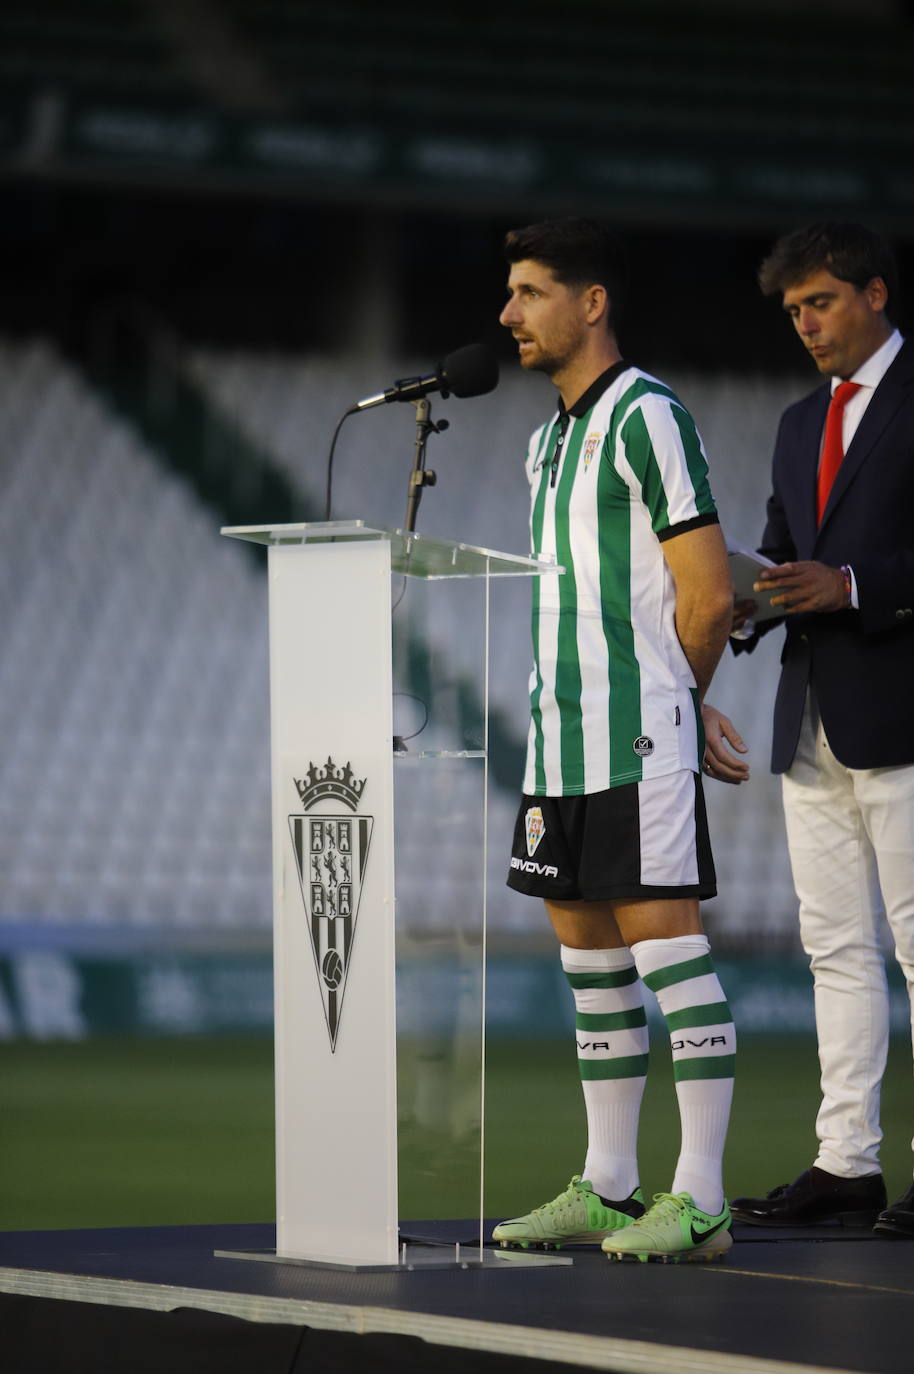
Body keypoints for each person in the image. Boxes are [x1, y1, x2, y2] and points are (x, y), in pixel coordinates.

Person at [493, 216, 738, 1263]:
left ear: (590, 303)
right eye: (508, 293)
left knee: (668, 951)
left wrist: (676, 703)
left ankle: (701, 1197)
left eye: (529, 291)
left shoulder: (649, 416)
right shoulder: (541, 444)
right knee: (590, 968)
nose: (507, 313)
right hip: (553, 743)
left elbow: (707, 594)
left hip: (632, 734)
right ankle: (605, 1186)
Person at [704, 221, 914, 1237]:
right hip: (812, 717)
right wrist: (750, 599)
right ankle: (846, 1165)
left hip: (903, 713)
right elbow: (789, 554)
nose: (805, 324)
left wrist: (856, 586)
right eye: (792, 311)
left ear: (874, 292)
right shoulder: (798, 423)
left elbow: (849, 574)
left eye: (819, 302)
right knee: (834, 950)